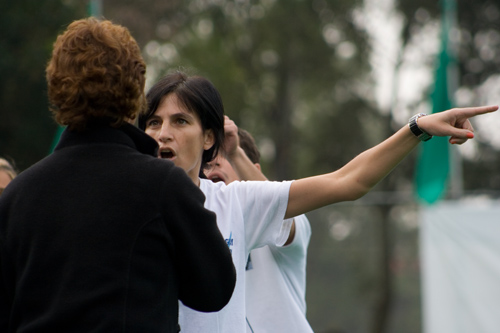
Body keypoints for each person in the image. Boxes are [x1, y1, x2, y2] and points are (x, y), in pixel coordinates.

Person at [139, 70, 497, 333]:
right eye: (153, 122)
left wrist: (416, 128)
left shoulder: (236, 202)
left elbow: (349, 180)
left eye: (180, 120)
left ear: (208, 139)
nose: (163, 133)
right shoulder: (126, 202)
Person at [0, 19, 236, 333]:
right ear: (135, 91)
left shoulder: (17, 197)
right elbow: (214, 290)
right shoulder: (162, 185)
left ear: (57, 88)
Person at [204, 126, 314, 332]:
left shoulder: (286, 220)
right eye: (207, 159)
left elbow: (279, 210)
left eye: (225, 155)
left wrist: (235, 152)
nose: (214, 162)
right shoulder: (195, 233)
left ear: (254, 169)